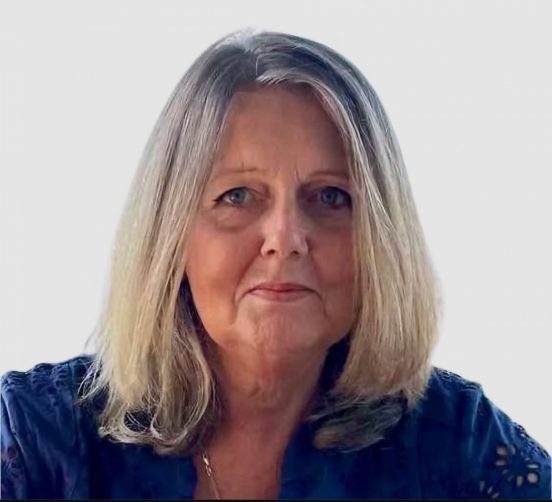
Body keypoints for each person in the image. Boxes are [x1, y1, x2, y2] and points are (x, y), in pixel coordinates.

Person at [1, 28, 550, 500]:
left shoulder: (459, 443)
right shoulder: (33, 441)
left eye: (331, 197)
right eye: (238, 196)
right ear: (171, 235)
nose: (285, 239)